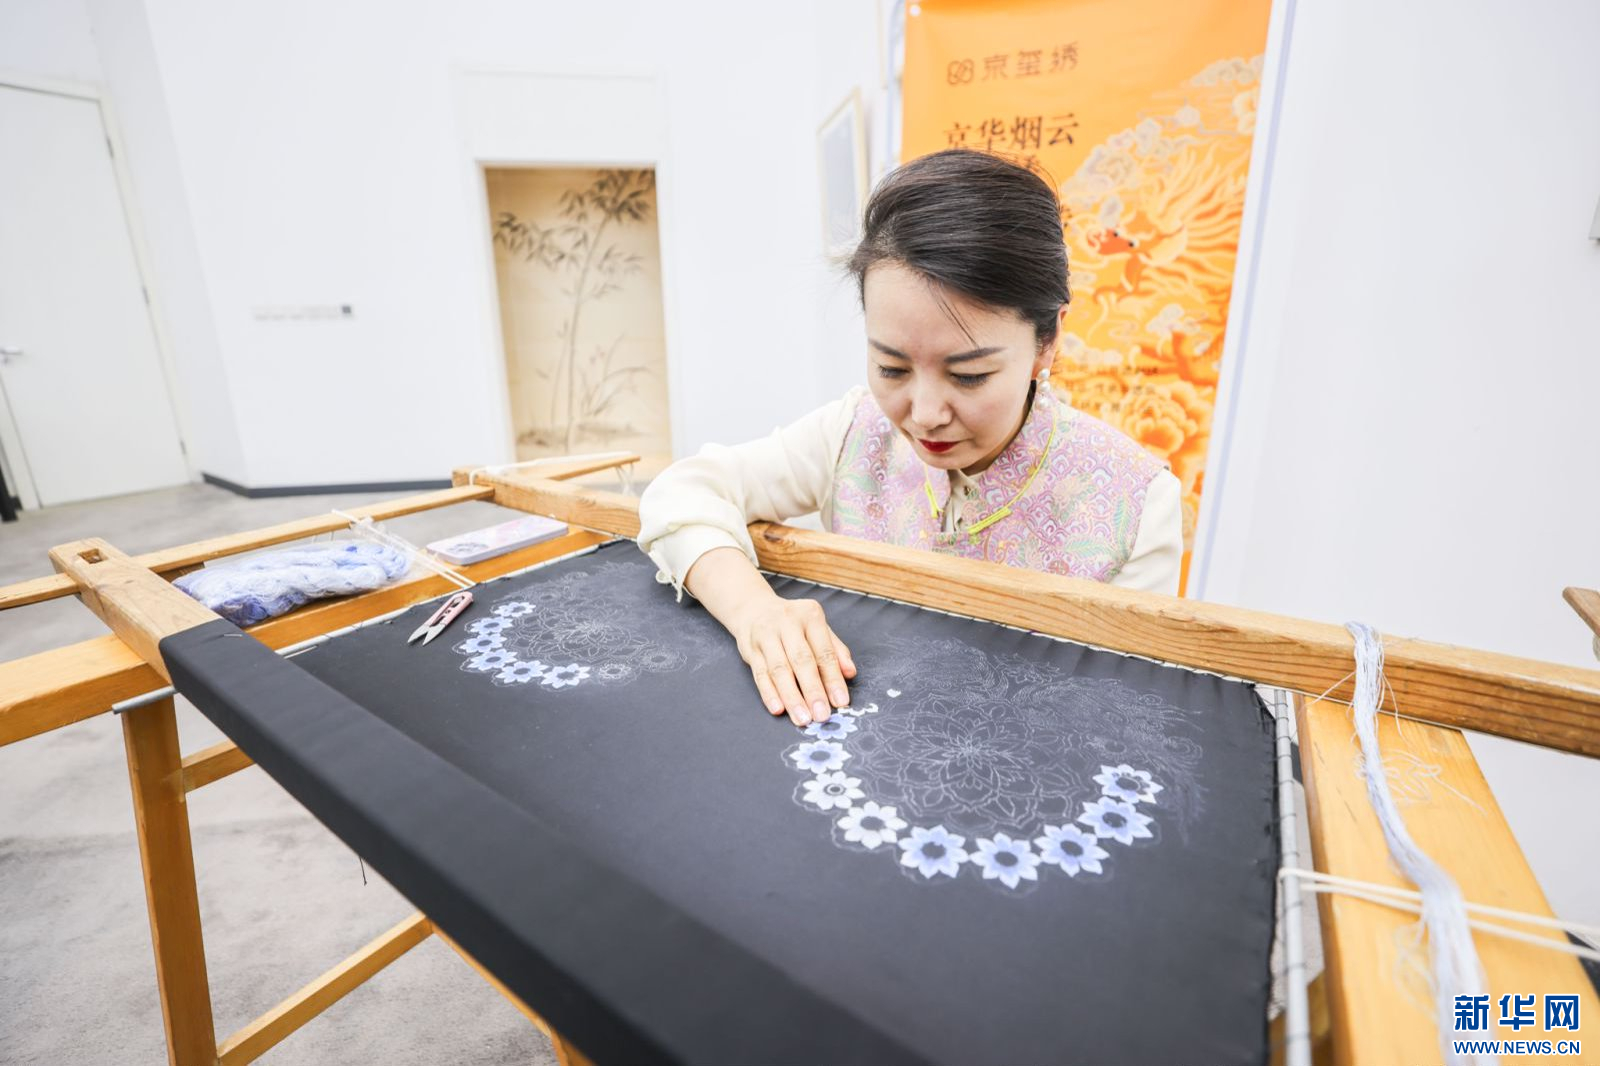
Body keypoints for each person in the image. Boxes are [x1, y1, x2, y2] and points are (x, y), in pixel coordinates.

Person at [637, 149, 1182, 729]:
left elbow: (1124, 708)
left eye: (969, 375)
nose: (923, 416)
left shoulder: (1135, 504)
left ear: (1047, 342)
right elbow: (683, 492)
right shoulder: (852, 433)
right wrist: (755, 613)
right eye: (892, 368)